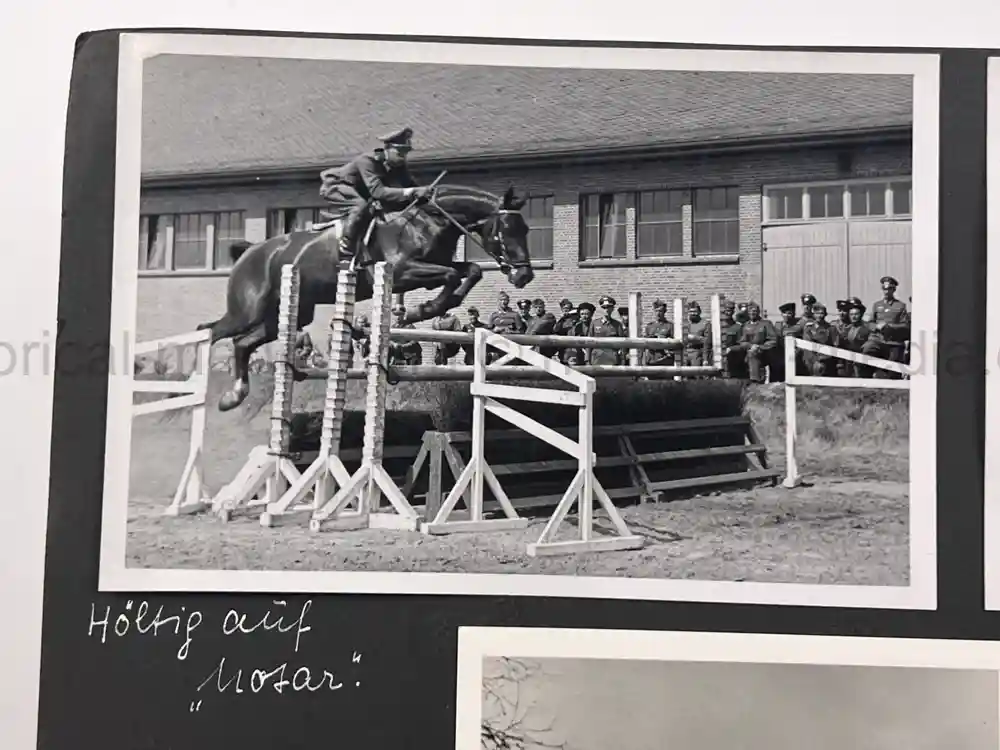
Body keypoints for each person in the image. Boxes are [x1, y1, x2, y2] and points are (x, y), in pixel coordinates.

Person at [318, 127, 434, 259]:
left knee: (386, 208)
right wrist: (412, 191)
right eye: (400, 152)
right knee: (360, 205)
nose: (403, 157)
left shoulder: (398, 165)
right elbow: (378, 192)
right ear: (388, 149)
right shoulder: (367, 161)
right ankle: (346, 245)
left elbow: (410, 186)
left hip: (363, 190)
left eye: (406, 152)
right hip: (337, 186)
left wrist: (424, 193)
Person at [863, 276, 909, 378]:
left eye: (889, 289)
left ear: (894, 290)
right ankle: (875, 372)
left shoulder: (900, 306)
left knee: (893, 371)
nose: (886, 292)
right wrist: (876, 326)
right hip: (878, 339)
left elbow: (905, 325)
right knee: (867, 349)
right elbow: (870, 322)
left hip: (893, 341)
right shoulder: (876, 305)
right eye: (884, 289)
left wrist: (890, 326)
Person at [733, 302, 777, 383]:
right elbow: (742, 341)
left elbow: (773, 340)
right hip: (749, 351)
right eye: (750, 311)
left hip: (764, 353)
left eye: (754, 311)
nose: (752, 313)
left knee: (752, 354)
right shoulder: (746, 325)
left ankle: (755, 381)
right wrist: (750, 346)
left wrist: (759, 347)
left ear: (758, 312)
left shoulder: (766, 324)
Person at [801, 303, 840, 376]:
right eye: (817, 313)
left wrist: (822, 358)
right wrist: (813, 359)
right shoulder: (808, 328)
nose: (819, 316)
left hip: (825, 361)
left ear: (825, 314)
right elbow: (806, 346)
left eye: (822, 313)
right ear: (813, 314)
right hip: (810, 361)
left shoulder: (831, 329)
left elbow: (835, 346)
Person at [589, 295, 626, 366]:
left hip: (612, 358)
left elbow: (622, 344)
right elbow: (589, 343)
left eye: (609, 307)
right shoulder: (594, 323)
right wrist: (587, 360)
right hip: (597, 358)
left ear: (612, 309)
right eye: (604, 307)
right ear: (600, 309)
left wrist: (623, 359)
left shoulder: (617, 324)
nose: (606, 310)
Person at [770, 302, 801, 383]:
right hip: (780, 352)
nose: (787, 316)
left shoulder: (797, 326)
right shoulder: (777, 325)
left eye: (789, 313)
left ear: (793, 314)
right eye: (784, 313)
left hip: (793, 353)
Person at [644, 299, 675, 367]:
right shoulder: (649, 326)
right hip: (651, 360)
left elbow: (674, 343)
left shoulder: (670, 326)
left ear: (664, 312)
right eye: (656, 311)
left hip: (664, 359)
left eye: (660, 311)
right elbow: (645, 344)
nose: (658, 313)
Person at [683, 301, 712, 367]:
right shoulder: (685, 324)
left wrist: (705, 359)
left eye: (695, 311)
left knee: (697, 375)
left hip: (697, 353)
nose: (693, 313)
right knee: (684, 375)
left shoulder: (705, 324)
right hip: (685, 354)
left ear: (699, 312)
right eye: (691, 311)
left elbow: (707, 343)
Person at [552, 299, 582, 365]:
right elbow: (555, 330)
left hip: (575, 349)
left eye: (568, 308)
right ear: (562, 309)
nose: (566, 310)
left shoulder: (576, 319)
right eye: (565, 308)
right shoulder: (562, 321)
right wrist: (562, 318)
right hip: (564, 350)